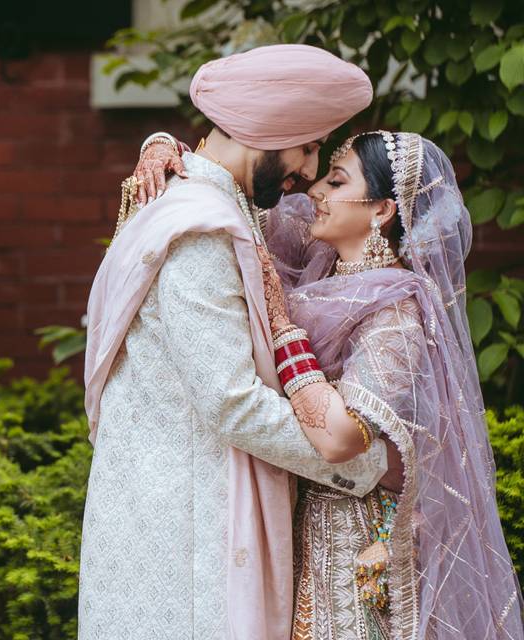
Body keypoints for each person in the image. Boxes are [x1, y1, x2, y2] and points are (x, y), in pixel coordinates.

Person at [135, 129, 524, 638]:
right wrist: (166, 149)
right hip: (296, 514)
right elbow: (235, 189)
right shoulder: (319, 263)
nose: (315, 190)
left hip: (356, 533)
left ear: (381, 210)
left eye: (336, 181)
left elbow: (342, 436)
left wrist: (283, 331)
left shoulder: (397, 315)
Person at [79, 44, 401, 640]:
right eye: (307, 148)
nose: (308, 172)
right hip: (189, 529)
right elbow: (232, 402)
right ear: (269, 132)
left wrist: (162, 140)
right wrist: (373, 465)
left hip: (188, 513)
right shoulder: (200, 231)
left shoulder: (224, 205)